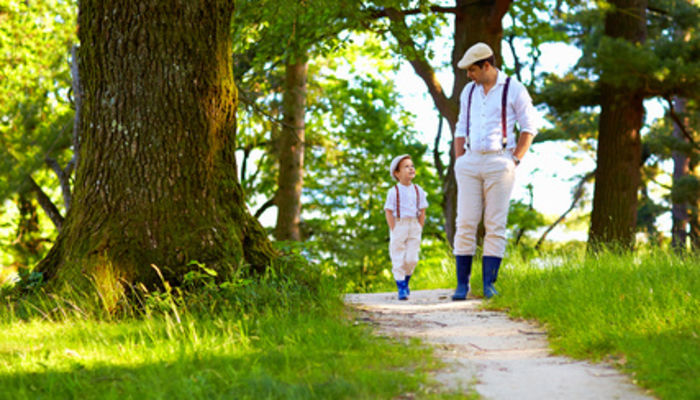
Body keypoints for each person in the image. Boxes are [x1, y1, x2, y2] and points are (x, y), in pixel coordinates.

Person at [451, 42, 538, 300]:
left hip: (500, 162)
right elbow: (460, 127)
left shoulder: (514, 89)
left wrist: (515, 160)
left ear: (487, 65)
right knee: (465, 221)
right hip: (470, 161)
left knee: (495, 223)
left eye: (472, 70)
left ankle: (489, 284)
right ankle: (461, 286)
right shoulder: (468, 91)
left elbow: (530, 126)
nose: (469, 75)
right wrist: (460, 160)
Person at [384, 154, 428, 300]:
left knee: (412, 258)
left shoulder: (418, 190)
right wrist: (394, 228)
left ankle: (406, 281)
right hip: (399, 224)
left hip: (414, 225)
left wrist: (419, 226)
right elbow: (388, 211)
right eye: (406, 167)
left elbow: (422, 210)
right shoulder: (393, 191)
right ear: (397, 174)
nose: (411, 168)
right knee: (398, 256)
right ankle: (401, 287)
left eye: (412, 166)